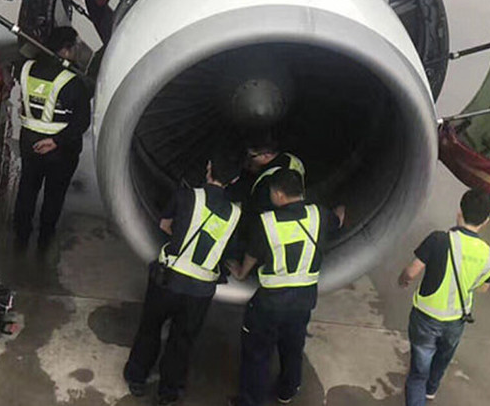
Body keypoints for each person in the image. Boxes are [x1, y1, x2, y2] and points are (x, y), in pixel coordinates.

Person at [124, 152, 243, 406]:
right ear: (234, 180)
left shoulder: (186, 196)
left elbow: (165, 225)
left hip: (167, 280)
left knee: (150, 329)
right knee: (182, 341)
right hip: (199, 290)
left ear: (208, 168)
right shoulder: (234, 214)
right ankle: (169, 392)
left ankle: (136, 378)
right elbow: (229, 252)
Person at [227, 169, 344, 406]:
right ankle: (287, 391)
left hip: (270, 302)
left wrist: (240, 272)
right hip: (303, 300)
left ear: (279, 195)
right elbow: (338, 220)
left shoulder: (267, 223)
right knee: (293, 347)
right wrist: (343, 206)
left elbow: (252, 254)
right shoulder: (318, 215)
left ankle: (251, 400)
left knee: (257, 354)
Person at [398, 189, 490, 406]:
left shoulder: (439, 240)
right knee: (442, 359)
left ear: (459, 213)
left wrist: (403, 279)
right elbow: (484, 288)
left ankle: (419, 397)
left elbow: (412, 271)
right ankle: (431, 393)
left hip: (426, 318)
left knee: (418, 373)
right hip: (456, 320)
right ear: (486, 222)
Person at [13, 26, 91, 251]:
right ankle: (44, 239)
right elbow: (81, 122)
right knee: (53, 196)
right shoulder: (74, 82)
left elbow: (12, 70)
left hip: (30, 144)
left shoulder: (25, 69)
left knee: (27, 190)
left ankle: (21, 237)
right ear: (65, 51)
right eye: (74, 47)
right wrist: (57, 141)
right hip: (61, 150)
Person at [230, 137, 306, 214]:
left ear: (267, 155)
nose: (248, 160)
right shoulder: (291, 159)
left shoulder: (268, 181)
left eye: (252, 156)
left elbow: (256, 208)